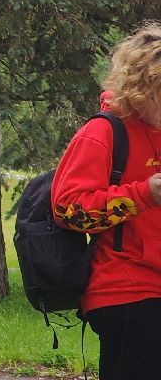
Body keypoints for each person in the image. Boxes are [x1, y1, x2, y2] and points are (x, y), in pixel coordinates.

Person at [53, 24, 161, 378]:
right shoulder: (103, 132)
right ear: (141, 88)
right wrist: (144, 195)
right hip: (127, 292)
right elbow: (68, 209)